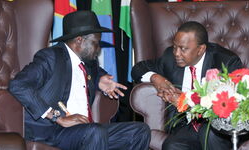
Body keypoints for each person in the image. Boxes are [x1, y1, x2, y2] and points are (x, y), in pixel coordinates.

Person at [8, 10, 150, 150]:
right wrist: (57, 117)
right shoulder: (50, 57)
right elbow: (18, 85)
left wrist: (100, 78)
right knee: (95, 132)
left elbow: (94, 71)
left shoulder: (89, 62)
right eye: (96, 43)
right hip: (53, 131)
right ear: (79, 40)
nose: (98, 48)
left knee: (139, 131)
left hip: (85, 131)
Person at [131, 21, 244, 150]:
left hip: (215, 126)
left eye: (183, 49)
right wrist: (156, 78)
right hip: (186, 125)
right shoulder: (170, 57)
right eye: (175, 47)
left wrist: (185, 103)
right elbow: (137, 69)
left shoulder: (225, 62)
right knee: (171, 145)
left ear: (201, 49)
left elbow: (233, 105)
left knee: (208, 135)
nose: (177, 53)